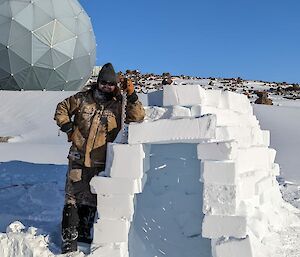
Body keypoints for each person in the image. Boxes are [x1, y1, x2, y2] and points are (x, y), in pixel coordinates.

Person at [54, 63, 145, 253]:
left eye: (111, 84)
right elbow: (61, 109)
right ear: (98, 82)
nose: (106, 87)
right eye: (103, 83)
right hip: (78, 158)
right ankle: (68, 243)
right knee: (72, 198)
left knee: (94, 200)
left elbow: (137, 117)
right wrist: (68, 128)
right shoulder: (83, 99)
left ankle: (86, 239)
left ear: (115, 85)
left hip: (102, 161)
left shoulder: (120, 103)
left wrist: (132, 95)